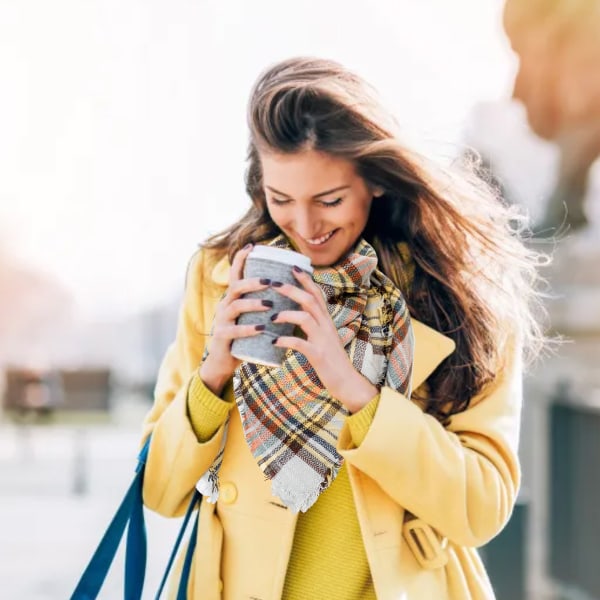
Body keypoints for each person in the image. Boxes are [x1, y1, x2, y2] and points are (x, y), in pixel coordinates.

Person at [141, 57, 548, 599]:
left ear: (376, 181)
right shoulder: (222, 280)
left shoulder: (457, 293)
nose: (306, 226)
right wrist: (214, 374)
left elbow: (482, 508)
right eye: (281, 199)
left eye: (329, 201)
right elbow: (160, 491)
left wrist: (356, 391)